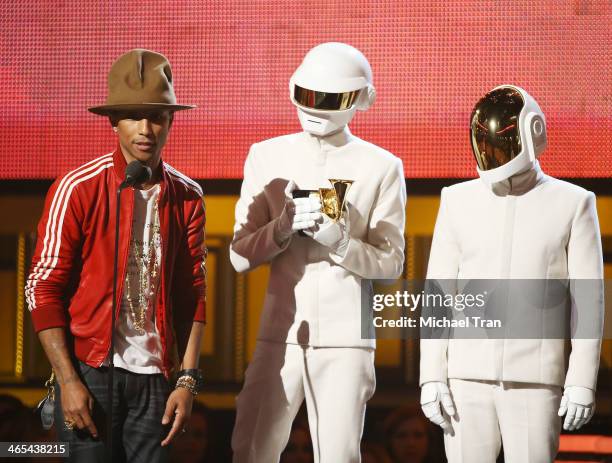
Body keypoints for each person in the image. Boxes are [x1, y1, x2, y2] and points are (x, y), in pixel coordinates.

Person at [25, 48, 207, 463]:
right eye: (132, 116)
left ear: (171, 120)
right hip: (90, 372)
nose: (146, 129)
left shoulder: (187, 196)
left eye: (157, 116)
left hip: (157, 378)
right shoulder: (77, 187)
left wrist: (187, 381)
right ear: (113, 122)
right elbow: (41, 287)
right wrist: (68, 379)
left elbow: (193, 293)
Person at [230, 42, 406, 463]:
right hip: (280, 333)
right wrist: (282, 228)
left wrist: (341, 241)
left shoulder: (381, 166)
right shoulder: (267, 155)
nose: (314, 109)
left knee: (339, 455)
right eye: (306, 96)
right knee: (251, 449)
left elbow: (391, 263)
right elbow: (239, 255)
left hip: (347, 339)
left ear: (360, 100)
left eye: (328, 100)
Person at [419, 85, 604, 462]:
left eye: (501, 144)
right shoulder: (456, 200)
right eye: (486, 144)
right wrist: (431, 374)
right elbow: (438, 294)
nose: (492, 154)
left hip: (536, 379)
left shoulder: (573, 203)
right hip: (465, 378)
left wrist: (582, 379)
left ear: (532, 133)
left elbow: (589, 301)